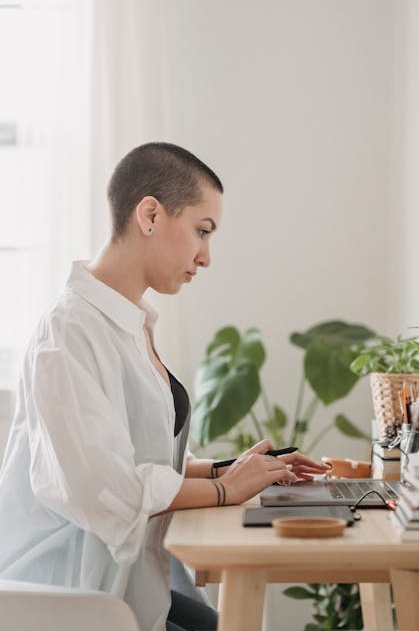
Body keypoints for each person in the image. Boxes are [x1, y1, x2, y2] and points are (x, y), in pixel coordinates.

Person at [0, 142, 328, 631]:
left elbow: (141, 464)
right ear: (149, 214)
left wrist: (233, 468)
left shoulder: (130, 324)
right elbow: (104, 489)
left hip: (130, 588)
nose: (207, 256)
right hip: (69, 601)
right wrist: (224, 488)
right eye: (202, 231)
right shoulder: (68, 333)